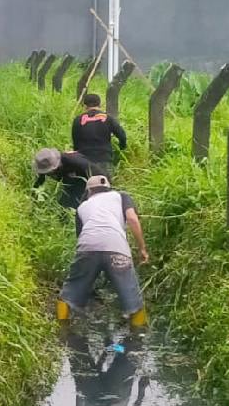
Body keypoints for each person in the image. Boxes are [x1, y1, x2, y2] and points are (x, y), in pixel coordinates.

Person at [60, 175, 150, 329]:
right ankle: (137, 340)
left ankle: (62, 331)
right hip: (117, 249)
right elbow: (132, 219)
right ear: (108, 188)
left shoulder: (82, 207)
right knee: (134, 301)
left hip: (88, 248)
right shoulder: (121, 196)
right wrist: (142, 248)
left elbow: (81, 237)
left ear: (89, 191)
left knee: (68, 294)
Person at [71, 93, 128, 179]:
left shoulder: (78, 120)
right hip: (104, 158)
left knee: (86, 188)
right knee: (105, 188)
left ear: (84, 105)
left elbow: (75, 142)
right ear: (99, 104)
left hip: (84, 160)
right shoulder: (108, 118)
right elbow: (122, 136)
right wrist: (121, 148)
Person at [33, 147, 100, 218]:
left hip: (86, 181)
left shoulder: (74, 161)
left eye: (49, 172)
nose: (48, 174)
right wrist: (33, 195)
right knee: (62, 207)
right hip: (70, 182)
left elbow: (98, 173)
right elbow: (40, 181)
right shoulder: (45, 165)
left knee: (75, 206)